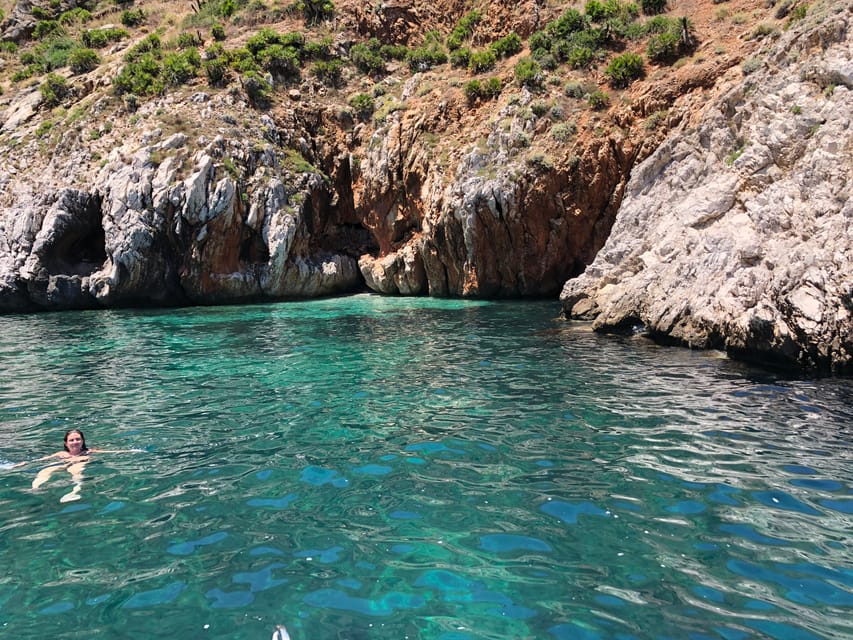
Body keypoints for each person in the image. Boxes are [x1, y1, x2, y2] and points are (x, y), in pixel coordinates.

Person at [27, 429, 141, 502]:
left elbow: (109, 452)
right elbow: (40, 460)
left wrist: (131, 451)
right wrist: (19, 465)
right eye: (71, 440)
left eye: (78, 439)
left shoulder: (88, 452)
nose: (75, 442)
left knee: (76, 471)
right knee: (45, 471)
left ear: (82, 441)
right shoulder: (61, 454)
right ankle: (35, 489)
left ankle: (74, 492)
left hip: (78, 463)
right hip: (63, 462)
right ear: (66, 443)